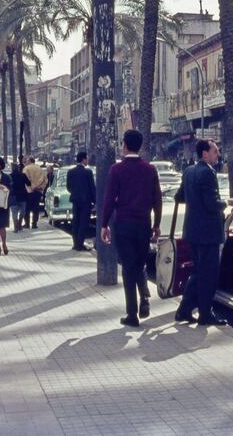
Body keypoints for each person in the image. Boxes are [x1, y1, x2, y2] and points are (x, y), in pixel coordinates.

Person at [100, 130, 162, 327]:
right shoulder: (150, 169)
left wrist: (103, 224)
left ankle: (132, 313)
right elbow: (157, 199)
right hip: (143, 224)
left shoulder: (116, 170)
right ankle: (144, 295)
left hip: (124, 225)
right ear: (140, 146)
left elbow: (109, 199)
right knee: (139, 263)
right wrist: (157, 224)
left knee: (128, 267)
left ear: (124, 145)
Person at [174, 139, 228, 326]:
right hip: (208, 234)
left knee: (197, 272)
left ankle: (184, 310)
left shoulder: (189, 171)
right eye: (215, 151)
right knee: (208, 275)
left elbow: (179, 196)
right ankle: (205, 314)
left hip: (192, 231)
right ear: (205, 153)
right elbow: (211, 204)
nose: (218, 154)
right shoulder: (207, 173)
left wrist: (193, 199)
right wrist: (228, 203)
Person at [67, 151, 96, 251]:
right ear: (84, 159)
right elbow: (92, 188)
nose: (87, 160)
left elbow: (69, 187)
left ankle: (75, 243)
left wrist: (75, 193)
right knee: (84, 222)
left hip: (75, 200)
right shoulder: (88, 172)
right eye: (86, 158)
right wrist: (95, 201)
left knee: (76, 221)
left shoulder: (70, 172)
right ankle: (80, 244)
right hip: (86, 201)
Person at [23, 157, 47, 229]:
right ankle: (34, 223)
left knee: (27, 208)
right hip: (38, 191)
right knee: (35, 208)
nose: (25, 162)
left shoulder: (26, 169)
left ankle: (27, 223)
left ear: (29, 161)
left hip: (28, 191)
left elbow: (24, 179)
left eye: (26, 161)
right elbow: (45, 180)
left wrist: (31, 187)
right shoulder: (40, 169)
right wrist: (40, 187)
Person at [9, 160, 29, 232]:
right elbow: (29, 183)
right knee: (23, 212)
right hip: (22, 196)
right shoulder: (23, 175)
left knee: (14, 213)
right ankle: (20, 224)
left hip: (13, 196)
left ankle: (16, 227)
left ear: (12, 168)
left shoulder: (10, 176)